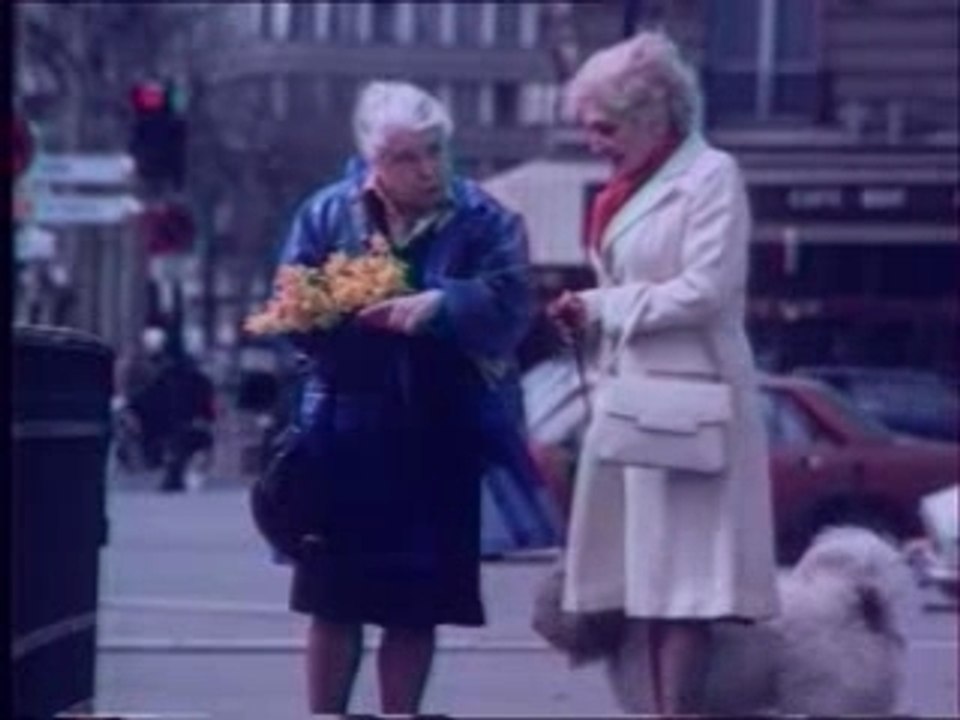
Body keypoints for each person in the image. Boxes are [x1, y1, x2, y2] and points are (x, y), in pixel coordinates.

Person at [273, 80, 535, 715]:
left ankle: (401, 714)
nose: (428, 169)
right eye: (407, 158)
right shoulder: (328, 212)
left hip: (438, 428)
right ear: (372, 162)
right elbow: (287, 313)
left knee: (415, 604)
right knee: (333, 598)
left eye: (436, 150)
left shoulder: (488, 219)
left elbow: (512, 309)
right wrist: (328, 313)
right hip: (343, 427)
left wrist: (444, 306)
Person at [547, 30, 780, 715]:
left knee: (681, 588)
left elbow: (706, 289)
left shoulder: (713, 177)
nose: (594, 141)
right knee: (641, 583)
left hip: (690, 400)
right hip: (632, 398)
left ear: (653, 116)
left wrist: (599, 307)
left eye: (604, 126)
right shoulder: (621, 190)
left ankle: (675, 712)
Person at [126, 331, 216, 492]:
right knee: (181, 444)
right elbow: (207, 402)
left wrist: (133, 407)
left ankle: (173, 475)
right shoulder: (197, 379)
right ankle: (175, 474)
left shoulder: (167, 377)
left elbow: (148, 397)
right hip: (187, 421)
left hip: (173, 422)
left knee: (176, 444)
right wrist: (207, 418)